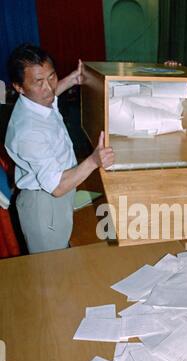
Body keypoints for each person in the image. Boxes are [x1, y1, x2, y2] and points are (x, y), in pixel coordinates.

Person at [5, 43, 114, 254]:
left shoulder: (35, 100)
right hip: (45, 205)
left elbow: (50, 96)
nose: (49, 88)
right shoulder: (29, 131)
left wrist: (73, 78)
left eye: (52, 77)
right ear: (18, 87)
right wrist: (93, 161)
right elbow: (57, 187)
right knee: (53, 268)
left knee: (66, 249)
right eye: (39, 82)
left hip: (58, 189)